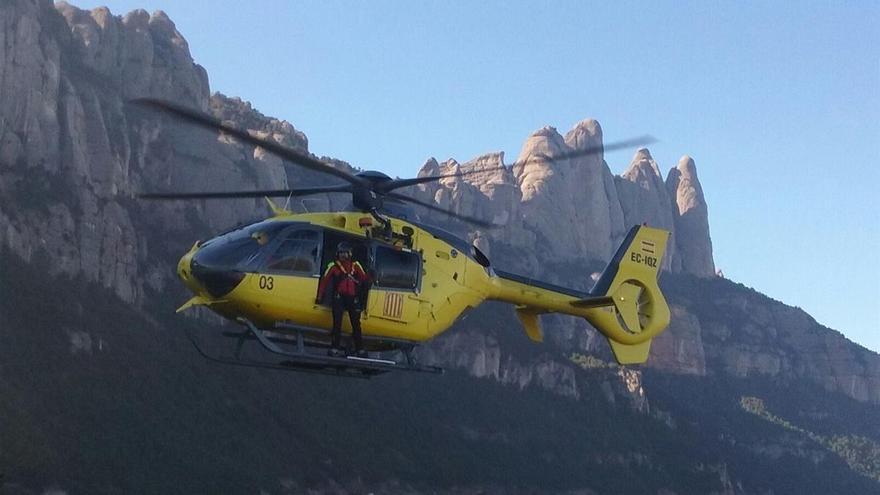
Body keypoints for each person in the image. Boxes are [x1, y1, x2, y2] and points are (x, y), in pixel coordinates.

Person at [317, 242, 370, 357]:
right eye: (341, 253)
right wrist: (320, 296)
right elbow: (324, 281)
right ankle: (335, 347)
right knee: (337, 324)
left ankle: (360, 348)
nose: (343, 256)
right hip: (339, 298)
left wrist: (371, 277)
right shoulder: (333, 266)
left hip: (352, 298)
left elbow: (364, 278)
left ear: (349, 254)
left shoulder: (355, 266)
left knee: (356, 324)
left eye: (345, 253)